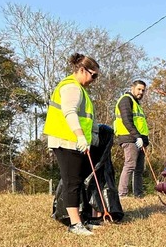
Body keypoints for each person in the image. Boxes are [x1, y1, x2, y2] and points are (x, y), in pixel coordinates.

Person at [43, 53, 101, 236]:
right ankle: (75, 224)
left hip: (73, 142)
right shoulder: (71, 87)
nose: (94, 80)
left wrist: (92, 134)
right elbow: (69, 112)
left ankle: (81, 220)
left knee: (77, 181)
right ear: (82, 70)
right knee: (72, 182)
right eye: (94, 75)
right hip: (66, 141)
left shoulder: (80, 89)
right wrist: (80, 136)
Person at [113, 79, 150, 199]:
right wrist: (137, 137)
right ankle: (122, 194)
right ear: (132, 88)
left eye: (143, 90)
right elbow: (126, 120)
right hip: (130, 138)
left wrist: (144, 139)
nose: (141, 92)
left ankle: (138, 194)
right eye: (139, 89)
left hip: (139, 140)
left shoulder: (136, 103)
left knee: (139, 169)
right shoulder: (126, 100)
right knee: (130, 165)